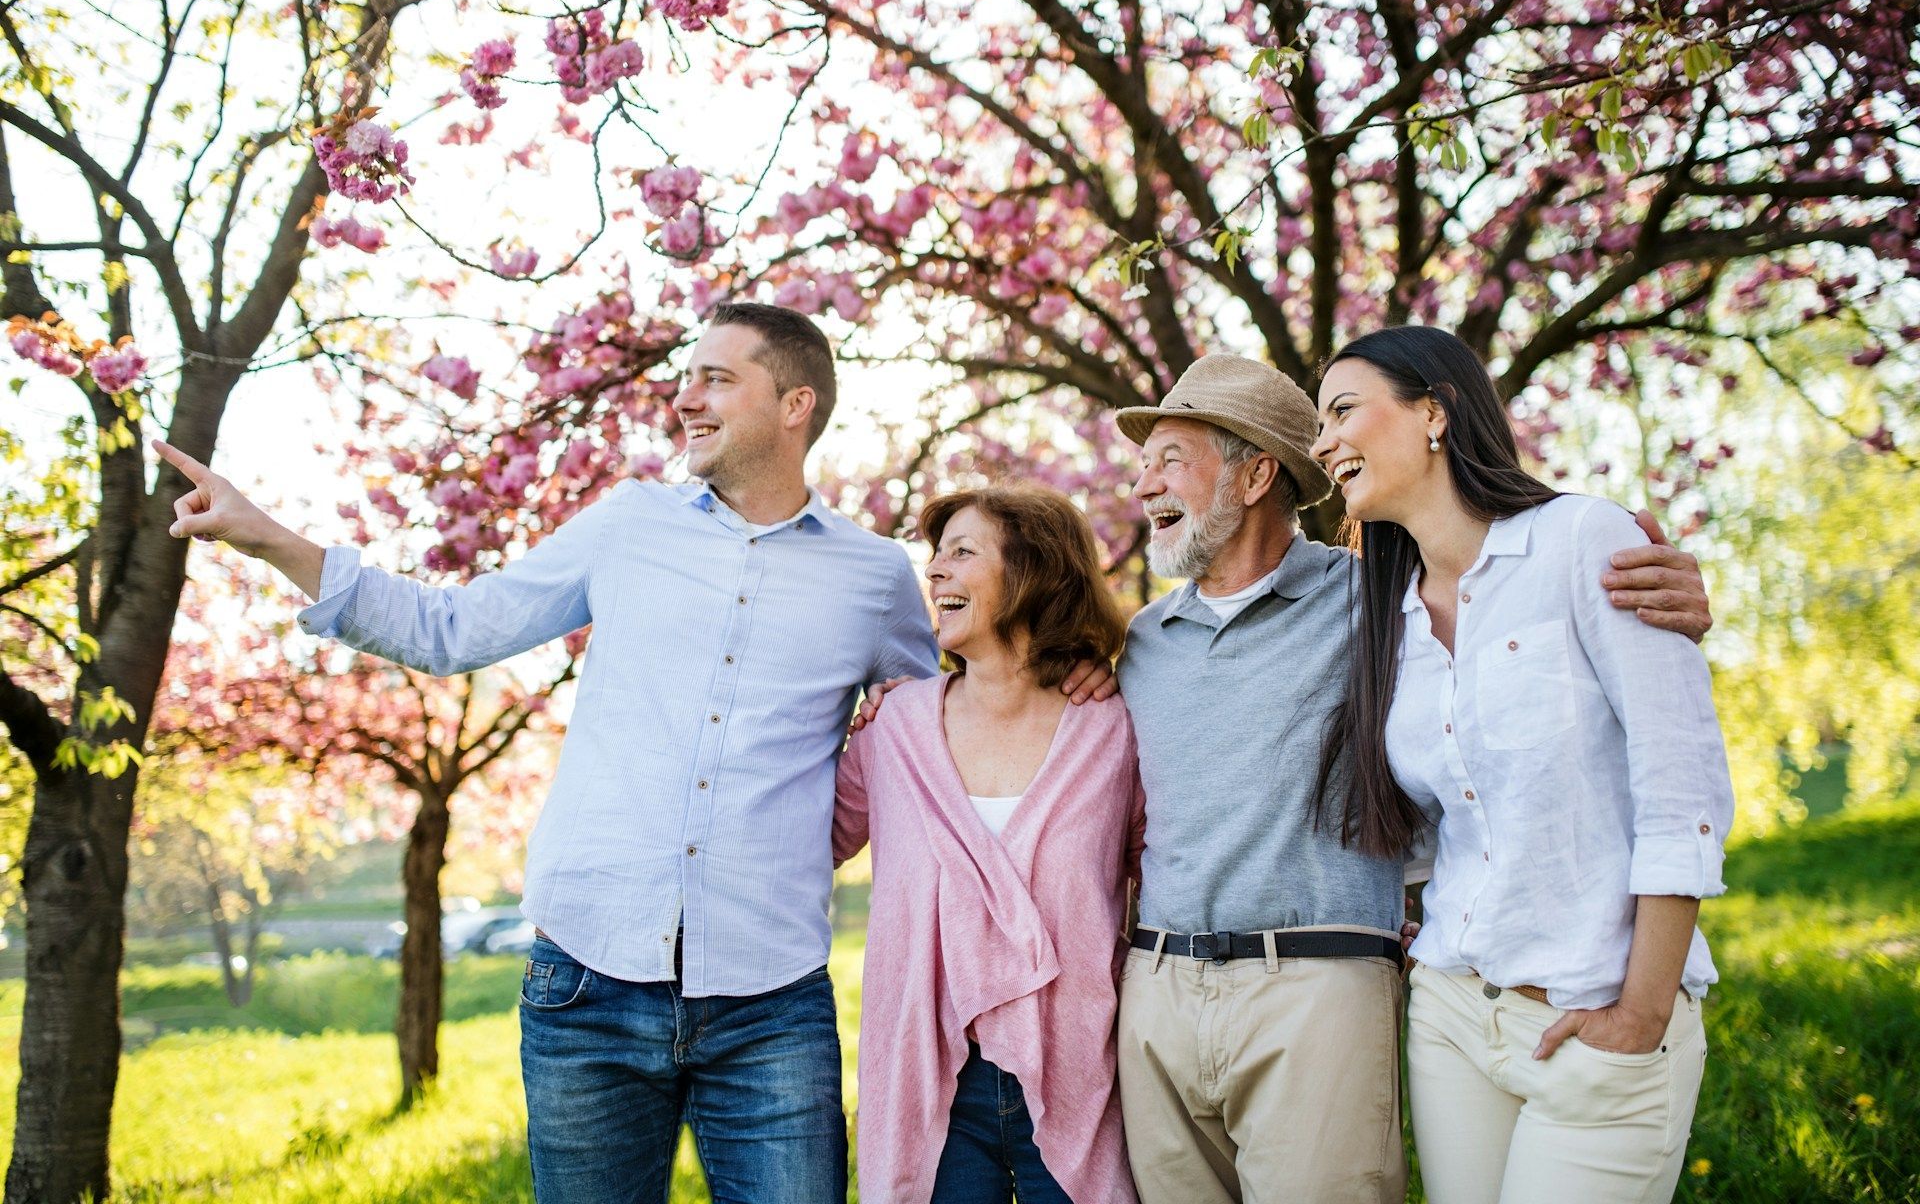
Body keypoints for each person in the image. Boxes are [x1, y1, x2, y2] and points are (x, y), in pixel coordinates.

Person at [153, 301, 1114, 1204]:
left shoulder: (873, 578)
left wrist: (1075, 677)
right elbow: (449, 629)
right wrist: (269, 538)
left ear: (794, 405)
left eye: (715, 379)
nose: (684, 397)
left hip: (770, 1004)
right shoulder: (624, 525)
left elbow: (947, 718)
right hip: (587, 979)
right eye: (685, 378)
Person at [857, 350, 1713, 1204]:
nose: (1142, 485)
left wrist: (1661, 583)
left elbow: (1504, 599)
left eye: (1169, 459)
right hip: (1159, 997)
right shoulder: (1143, 647)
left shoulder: (1377, 598)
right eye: (1140, 463)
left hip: (1318, 982)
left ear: (1257, 472)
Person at [1310, 325, 1733, 1204]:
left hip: (1599, 1011)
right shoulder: (1385, 618)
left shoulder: (1584, 540)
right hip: (1457, 1016)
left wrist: (1642, 1012)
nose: (1323, 443)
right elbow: (1436, 819)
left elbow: (1680, 783)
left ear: (1435, 411)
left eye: (1343, 410)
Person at [832, 483, 1139, 1204]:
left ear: (1033, 571)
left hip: (1079, 1081)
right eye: (935, 556)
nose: (934, 571)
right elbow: (805, 845)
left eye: (961, 553)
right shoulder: (895, 730)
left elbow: (1166, 878)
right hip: (931, 1088)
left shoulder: (1112, 730)